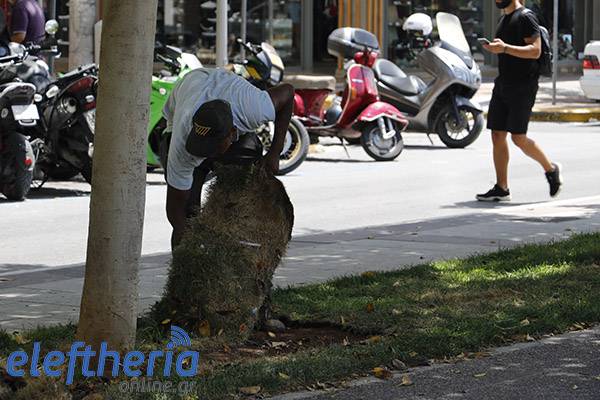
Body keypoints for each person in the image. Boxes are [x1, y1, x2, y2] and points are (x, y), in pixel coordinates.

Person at [160, 68, 294, 249]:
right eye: (203, 146)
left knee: (244, 175)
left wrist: (274, 153)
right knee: (188, 213)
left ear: (232, 134)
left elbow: (288, 92)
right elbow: (175, 211)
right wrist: (192, 250)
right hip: (192, 86)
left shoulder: (253, 109)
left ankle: (238, 237)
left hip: (230, 98)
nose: (207, 153)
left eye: (212, 147)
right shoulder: (182, 143)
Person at [476, 0, 562, 202]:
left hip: (523, 85)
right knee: (497, 134)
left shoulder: (526, 17)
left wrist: (505, 48)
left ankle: (551, 169)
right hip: (503, 83)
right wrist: (497, 48)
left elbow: (535, 50)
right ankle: (501, 188)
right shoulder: (503, 19)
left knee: (518, 137)